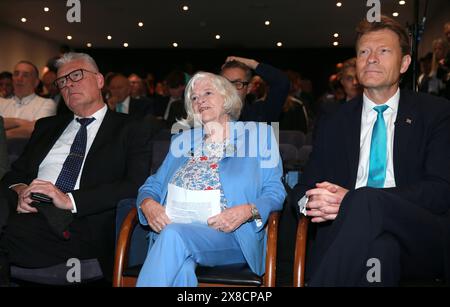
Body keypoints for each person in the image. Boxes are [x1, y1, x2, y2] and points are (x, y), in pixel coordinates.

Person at [291, 16, 450, 286]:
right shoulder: (334, 120)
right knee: (380, 250)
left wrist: (354, 201)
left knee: (364, 200)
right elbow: (303, 188)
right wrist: (313, 203)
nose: (371, 58)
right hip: (353, 240)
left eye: (383, 51)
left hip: (418, 234)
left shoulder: (436, 113)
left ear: (404, 63)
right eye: (364, 52)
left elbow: (440, 190)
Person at [0, 52, 155, 285]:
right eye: (62, 81)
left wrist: (68, 200)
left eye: (76, 75)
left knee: (12, 235)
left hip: (81, 222)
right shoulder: (47, 127)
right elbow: (14, 173)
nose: (68, 84)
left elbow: (134, 185)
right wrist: (22, 190)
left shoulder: (131, 128)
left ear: (100, 81)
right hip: (29, 210)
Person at [135, 72, 285, 286]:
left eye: (207, 93)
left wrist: (247, 210)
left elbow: (275, 192)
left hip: (230, 235)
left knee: (174, 236)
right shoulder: (183, 140)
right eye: (194, 98)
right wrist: (147, 204)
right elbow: (153, 184)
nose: (200, 100)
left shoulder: (259, 136)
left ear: (226, 99)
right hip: (177, 233)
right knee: (182, 267)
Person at [221, 56, 289, 123]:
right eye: (225, 83)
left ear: (248, 88)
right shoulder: (211, 115)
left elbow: (281, 82)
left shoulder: (261, 114)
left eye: (238, 84)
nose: (230, 88)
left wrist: (252, 63)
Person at [0, 61, 56, 139]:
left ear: (36, 82)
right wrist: (19, 122)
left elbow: (37, 129)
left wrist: (3, 134)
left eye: (25, 75)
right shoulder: (2, 102)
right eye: (16, 74)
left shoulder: (46, 103)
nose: (19, 78)